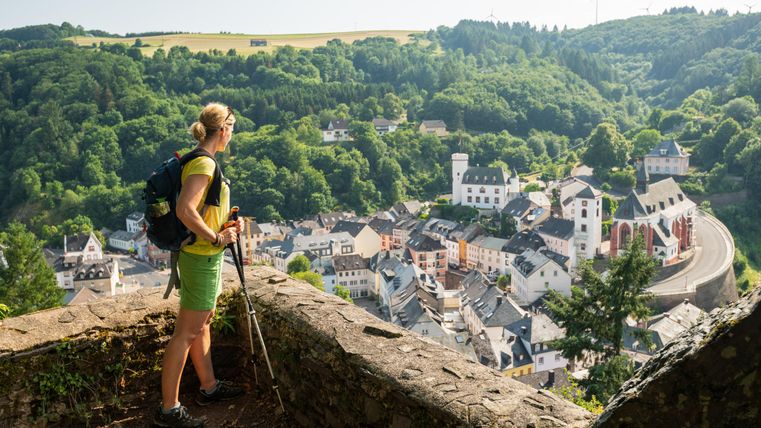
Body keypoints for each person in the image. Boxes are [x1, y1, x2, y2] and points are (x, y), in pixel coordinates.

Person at [154, 103, 244, 428]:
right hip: (201, 256)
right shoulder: (204, 164)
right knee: (186, 333)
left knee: (202, 324)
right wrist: (217, 238)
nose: (232, 135)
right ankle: (169, 411)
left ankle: (208, 387)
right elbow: (184, 210)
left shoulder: (198, 160)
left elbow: (200, 209)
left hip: (203, 254)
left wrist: (226, 224)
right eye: (232, 129)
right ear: (223, 131)